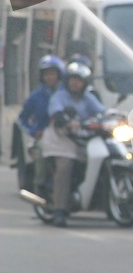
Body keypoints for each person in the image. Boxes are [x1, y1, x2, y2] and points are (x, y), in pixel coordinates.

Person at [42, 61, 106, 227]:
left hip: (81, 140)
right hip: (61, 141)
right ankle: (59, 211)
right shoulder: (60, 96)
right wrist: (66, 121)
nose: (75, 83)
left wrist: (115, 117)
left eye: (79, 80)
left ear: (85, 83)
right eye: (72, 79)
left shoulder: (88, 98)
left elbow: (102, 112)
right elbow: (56, 112)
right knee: (65, 168)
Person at [18, 54, 65, 195]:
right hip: (44, 136)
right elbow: (22, 119)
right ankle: (40, 187)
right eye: (46, 74)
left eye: (53, 74)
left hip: (66, 135)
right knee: (43, 151)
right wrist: (34, 131)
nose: (49, 77)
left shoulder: (67, 93)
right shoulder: (36, 96)